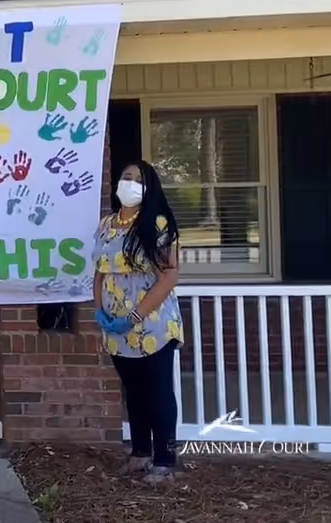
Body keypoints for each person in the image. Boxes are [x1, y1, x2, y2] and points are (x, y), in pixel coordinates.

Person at [92, 160, 184, 484]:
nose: (128, 183)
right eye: (125, 177)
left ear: (148, 188)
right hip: (116, 327)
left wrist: (136, 315)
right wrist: (99, 309)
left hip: (153, 324)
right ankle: (140, 453)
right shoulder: (107, 224)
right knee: (133, 390)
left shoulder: (157, 223)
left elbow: (168, 275)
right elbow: (101, 271)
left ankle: (164, 460)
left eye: (136, 179)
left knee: (157, 390)